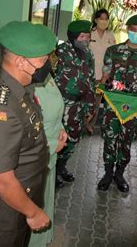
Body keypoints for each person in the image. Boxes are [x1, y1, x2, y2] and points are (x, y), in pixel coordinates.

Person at [0, 21, 56, 246]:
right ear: (19, 61)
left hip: (18, 202)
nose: (48, 64)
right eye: (43, 60)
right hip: (2, 216)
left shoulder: (19, 84)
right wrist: (34, 213)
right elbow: (1, 182)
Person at [97, 14, 137, 192]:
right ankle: (107, 173)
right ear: (127, 29)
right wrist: (99, 90)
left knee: (126, 140)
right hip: (113, 104)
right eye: (133, 29)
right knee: (110, 137)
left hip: (133, 107)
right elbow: (105, 77)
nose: (135, 33)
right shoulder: (113, 51)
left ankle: (119, 174)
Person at [54, 20, 96, 188]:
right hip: (62, 103)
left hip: (79, 105)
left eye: (88, 36)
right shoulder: (60, 52)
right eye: (82, 36)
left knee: (73, 138)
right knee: (59, 138)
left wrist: (90, 106)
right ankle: (53, 172)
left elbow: (91, 80)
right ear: (73, 37)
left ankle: (62, 166)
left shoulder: (88, 54)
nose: (85, 39)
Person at [29, 66, 67, 246]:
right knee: (33, 209)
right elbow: (21, 134)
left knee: (45, 201)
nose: (49, 60)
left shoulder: (44, 74)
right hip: (34, 160)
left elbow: (55, 107)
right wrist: (52, 144)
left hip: (48, 159)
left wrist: (61, 128)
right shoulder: (23, 84)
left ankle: (41, 240)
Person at [88, 8, 116, 130]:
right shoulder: (89, 33)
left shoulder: (110, 35)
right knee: (86, 102)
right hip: (89, 75)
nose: (104, 21)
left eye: (106, 19)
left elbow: (114, 55)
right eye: (101, 18)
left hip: (103, 77)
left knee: (96, 103)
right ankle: (80, 126)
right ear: (95, 20)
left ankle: (90, 125)